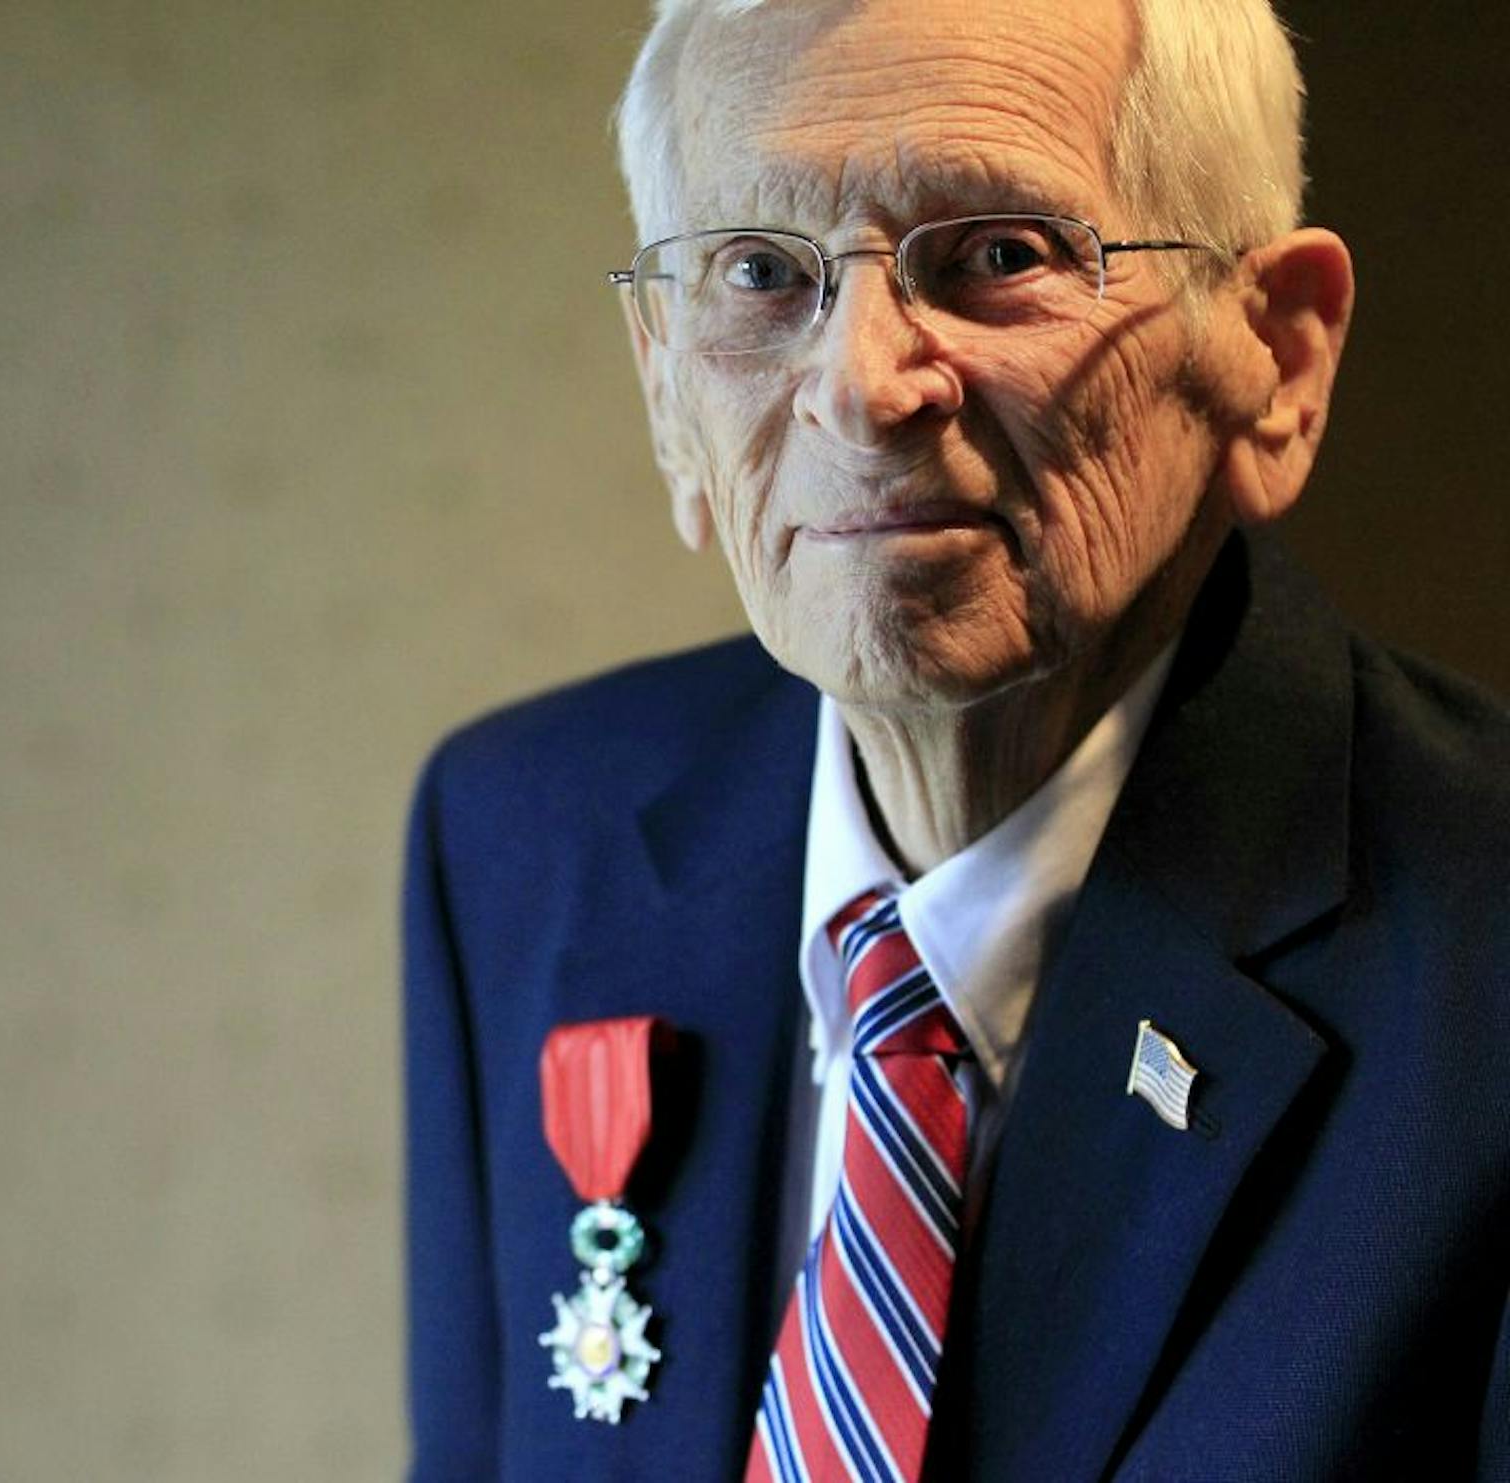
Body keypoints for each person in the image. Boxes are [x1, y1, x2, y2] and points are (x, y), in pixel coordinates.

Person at [401, 0, 1510, 1478]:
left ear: (1276, 357)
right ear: (665, 384)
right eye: (761, 271)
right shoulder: (521, 837)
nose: (864, 388)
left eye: (998, 255)